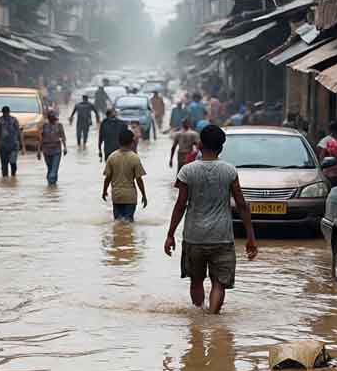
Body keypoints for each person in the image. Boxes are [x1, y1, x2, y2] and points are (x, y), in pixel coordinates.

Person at [164, 125, 258, 314]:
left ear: (199, 145)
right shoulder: (229, 171)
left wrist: (170, 234)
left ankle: (198, 316)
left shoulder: (187, 171)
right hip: (221, 236)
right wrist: (250, 238)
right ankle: (213, 319)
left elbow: (180, 205)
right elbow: (241, 204)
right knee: (219, 282)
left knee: (196, 280)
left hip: (194, 236)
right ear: (221, 147)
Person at [102, 129, 147, 222]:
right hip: (130, 197)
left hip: (116, 196)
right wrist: (144, 195)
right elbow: (139, 179)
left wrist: (104, 191)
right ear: (132, 142)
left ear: (119, 141)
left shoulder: (112, 157)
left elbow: (108, 178)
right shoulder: (135, 158)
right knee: (128, 223)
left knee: (118, 223)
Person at [37, 111, 67, 186]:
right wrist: (38, 151)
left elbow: (63, 137)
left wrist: (65, 147)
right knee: (50, 169)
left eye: (54, 118)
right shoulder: (44, 126)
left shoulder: (59, 125)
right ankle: (52, 185)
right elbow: (40, 139)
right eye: (52, 118)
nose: (53, 120)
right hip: (46, 150)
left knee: (54, 170)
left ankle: (51, 187)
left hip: (56, 150)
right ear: (49, 118)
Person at [0, 106, 25, 178]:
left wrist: (22, 147)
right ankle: (5, 180)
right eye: (4, 113)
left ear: (9, 112)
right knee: (4, 165)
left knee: (12, 161)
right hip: (3, 146)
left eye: (6, 113)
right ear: (2, 113)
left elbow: (19, 133)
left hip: (13, 145)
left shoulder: (14, 120)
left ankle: (13, 176)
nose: (5, 114)